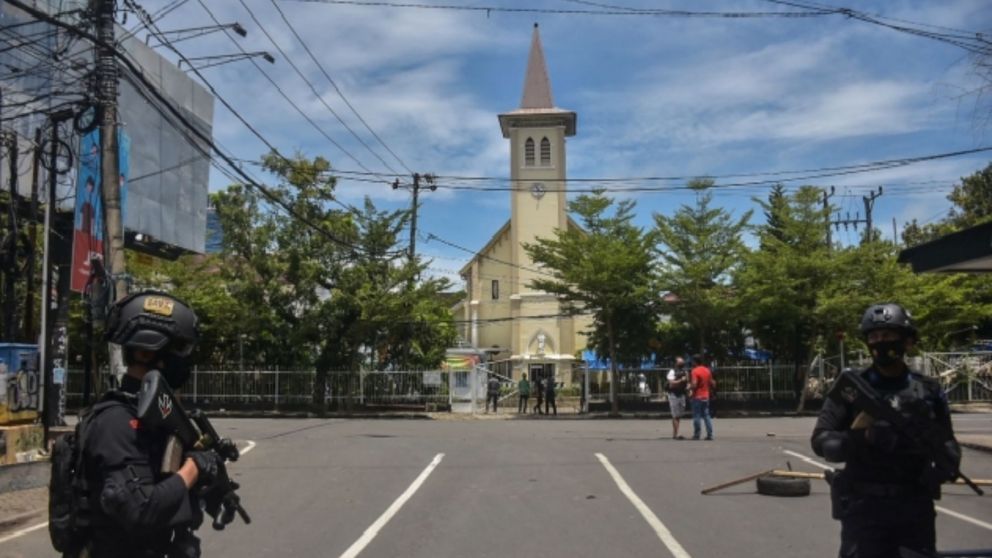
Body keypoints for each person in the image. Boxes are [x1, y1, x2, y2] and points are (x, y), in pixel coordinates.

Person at [78, 291, 224, 557]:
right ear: (145, 352)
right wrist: (193, 468)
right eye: (179, 350)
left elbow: (164, 484)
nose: (184, 361)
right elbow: (140, 509)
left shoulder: (153, 416)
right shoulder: (116, 421)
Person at [811, 303, 962, 558]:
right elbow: (821, 440)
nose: (881, 342)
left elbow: (946, 439)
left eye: (888, 335)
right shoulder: (852, 388)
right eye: (874, 337)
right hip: (865, 509)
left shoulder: (928, 390)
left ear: (907, 341)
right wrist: (863, 438)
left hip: (914, 507)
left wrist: (947, 462)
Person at [690, 354, 715, 440]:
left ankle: (697, 434)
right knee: (706, 415)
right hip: (706, 396)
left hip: (697, 396)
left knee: (696, 415)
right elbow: (712, 383)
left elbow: (694, 384)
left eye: (692, 361)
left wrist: (689, 388)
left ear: (695, 362)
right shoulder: (707, 370)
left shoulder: (694, 371)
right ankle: (710, 434)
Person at [666, 357, 689, 439]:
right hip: (674, 394)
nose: (683, 362)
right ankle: (676, 434)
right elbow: (671, 383)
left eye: (683, 361)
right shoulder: (672, 371)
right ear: (676, 363)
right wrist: (680, 380)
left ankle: (675, 433)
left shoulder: (685, 371)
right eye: (680, 361)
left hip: (682, 394)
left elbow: (688, 382)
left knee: (679, 415)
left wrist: (688, 387)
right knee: (675, 415)